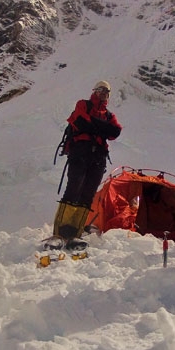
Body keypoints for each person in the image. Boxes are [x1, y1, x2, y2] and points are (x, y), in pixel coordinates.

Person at [52, 80, 122, 249]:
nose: (103, 93)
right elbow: (83, 122)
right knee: (73, 189)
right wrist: (102, 128)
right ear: (95, 91)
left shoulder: (109, 115)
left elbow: (116, 131)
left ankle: (75, 232)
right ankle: (60, 232)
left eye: (106, 91)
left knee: (88, 193)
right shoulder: (83, 104)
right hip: (80, 153)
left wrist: (94, 125)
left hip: (97, 156)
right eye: (101, 90)